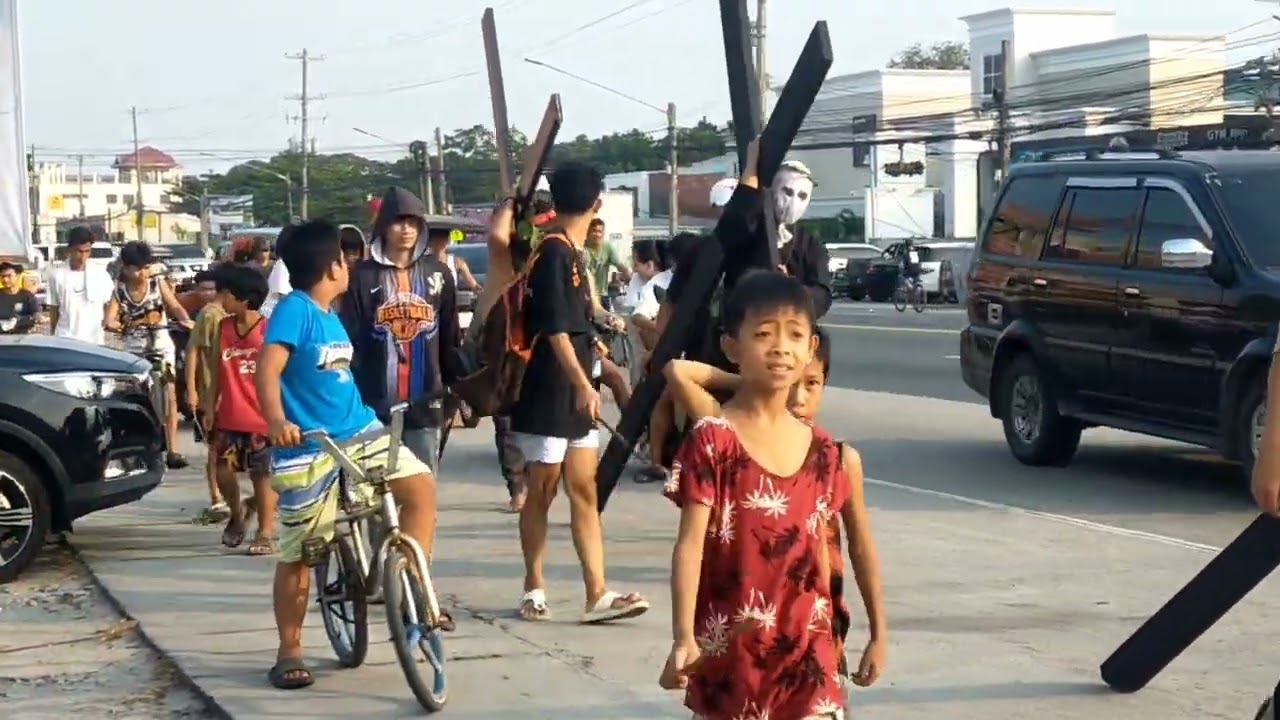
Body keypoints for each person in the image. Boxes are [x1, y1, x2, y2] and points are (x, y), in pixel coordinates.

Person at [658, 272, 864, 719]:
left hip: (809, 659)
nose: (780, 348)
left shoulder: (824, 452)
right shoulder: (713, 440)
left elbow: (827, 557)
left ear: (811, 349)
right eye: (763, 335)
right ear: (732, 347)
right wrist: (681, 638)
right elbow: (690, 545)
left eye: (794, 336)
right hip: (731, 658)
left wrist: (853, 635)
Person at [257, 219, 440, 690]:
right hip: (312, 446)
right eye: (345, 257)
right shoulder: (294, 310)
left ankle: (411, 589)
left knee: (419, 488)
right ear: (331, 264)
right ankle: (289, 650)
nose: (351, 264)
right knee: (302, 553)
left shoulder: (332, 314)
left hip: (364, 433)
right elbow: (268, 367)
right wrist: (277, 421)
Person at [510, 161, 649, 623]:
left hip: (575, 389)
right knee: (542, 491)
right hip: (549, 391)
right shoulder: (552, 253)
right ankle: (534, 586)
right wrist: (582, 384)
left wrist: (601, 330)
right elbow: (552, 329)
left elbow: (578, 316)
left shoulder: (572, 252)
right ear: (596, 203)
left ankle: (597, 593)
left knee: (584, 491)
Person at [341, 187, 460, 483]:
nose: (406, 229)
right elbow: (350, 339)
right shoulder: (362, 276)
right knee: (377, 491)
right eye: (398, 221)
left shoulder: (438, 274)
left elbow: (449, 338)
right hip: (374, 403)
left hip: (426, 401)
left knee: (422, 486)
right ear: (383, 226)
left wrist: (453, 395)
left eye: (413, 221)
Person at [104, 241, 194, 469]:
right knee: (137, 398)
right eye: (136, 268)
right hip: (135, 350)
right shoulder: (119, 291)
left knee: (170, 395)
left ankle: (173, 449)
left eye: (145, 267)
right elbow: (109, 321)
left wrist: (185, 320)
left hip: (162, 346)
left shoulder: (157, 283)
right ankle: (142, 446)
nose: (142, 273)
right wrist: (124, 325)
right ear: (125, 267)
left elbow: (174, 306)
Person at [209, 264, 278, 556]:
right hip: (229, 416)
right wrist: (208, 404)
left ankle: (265, 532)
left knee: (261, 476)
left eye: (224, 294)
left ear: (242, 297)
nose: (219, 300)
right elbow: (215, 369)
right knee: (222, 470)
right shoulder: (222, 328)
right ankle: (237, 513)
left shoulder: (268, 330)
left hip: (261, 418)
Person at [186, 267, 230, 518]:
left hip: (229, 390)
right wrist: (192, 389)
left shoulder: (231, 314)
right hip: (210, 389)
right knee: (215, 447)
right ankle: (215, 495)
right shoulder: (209, 315)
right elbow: (193, 351)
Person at [45, 226, 113, 345]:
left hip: (94, 340)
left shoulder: (101, 274)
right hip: (65, 338)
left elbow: (110, 303)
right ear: (69, 250)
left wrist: (103, 324)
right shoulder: (56, 275)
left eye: (87, 251)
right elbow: (54, 309)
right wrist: (53, 336)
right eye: (79, 251)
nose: (83, 257)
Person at [584, 218, 629, 310]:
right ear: (588, 232)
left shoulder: (607, 247)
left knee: (607, 321)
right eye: (594, 231)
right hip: (585, 295)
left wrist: (630, 280)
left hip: (602, 294)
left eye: (600, 231)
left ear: (603, 234)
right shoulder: (582, 247)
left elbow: (620, 266)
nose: (597, 234)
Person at [0, 262, 40, 334]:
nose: (5, 279)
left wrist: (18, 322)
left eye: (9, 276)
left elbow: (35, 316)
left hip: (22, 340)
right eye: (3, 276)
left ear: (18, 276)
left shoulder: (27, 296)